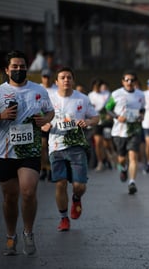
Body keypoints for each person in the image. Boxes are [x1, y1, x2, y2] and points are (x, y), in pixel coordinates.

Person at [0, 50, 54, 256]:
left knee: (28, 191)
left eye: (22, 66)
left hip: (30, 151)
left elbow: (50, 111)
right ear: (7, 70)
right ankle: (10, 235)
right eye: (14, 66)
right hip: (5, 152)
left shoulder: (38, 90)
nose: (18, 69)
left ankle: (28, 232)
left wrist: (46, 119)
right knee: (10, 197)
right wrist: (0, 116)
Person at [47, 67, 99, 232]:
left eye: (69, 77)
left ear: (73, 80)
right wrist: (43, 124)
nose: (66, 80)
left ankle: (76, 198)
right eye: (62, 77)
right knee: (60, 184)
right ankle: (63, 219)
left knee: (79, 186)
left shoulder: (82, 99)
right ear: (56, 82)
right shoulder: (49, 98)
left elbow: (96, 117)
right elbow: (38, 116)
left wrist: (88, 123)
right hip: (56, 146)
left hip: (76, 146)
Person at [105, 71, 145, 194]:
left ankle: (132, 182)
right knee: (122, 158)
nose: (129, 82)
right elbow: (108, 108)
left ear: (135, 82)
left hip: (134, 129)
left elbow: (142, 108)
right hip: (119, 131)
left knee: (133, 156)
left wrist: (141, 116)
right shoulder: (116, 94)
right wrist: (117, 117)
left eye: (132, 80)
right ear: (123, 81)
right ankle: (123, 168)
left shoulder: (140, 95)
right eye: (127, 80)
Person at [88, 78, 111, 171]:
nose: (97, 88)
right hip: (96, 121)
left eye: (99, 86)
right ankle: (100, 162)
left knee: (106, 143)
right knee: (98, 142)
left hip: (106, 121)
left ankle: (107, 159)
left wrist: (109, 114)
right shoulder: (90, 95)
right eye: (96, 86)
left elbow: (110, 106)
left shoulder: (107, 94)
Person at [39, 68, 57, 181]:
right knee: (42, 146)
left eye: (48, 77)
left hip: (54, 123)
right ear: (42, 78)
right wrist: (42, 121)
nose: (46, 79)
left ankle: (52, 170)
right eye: (44, 77)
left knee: (52, 148)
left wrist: (51, 121)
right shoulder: (38, 88)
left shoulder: (56, 89)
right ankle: (44, 168)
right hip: (42, 122)